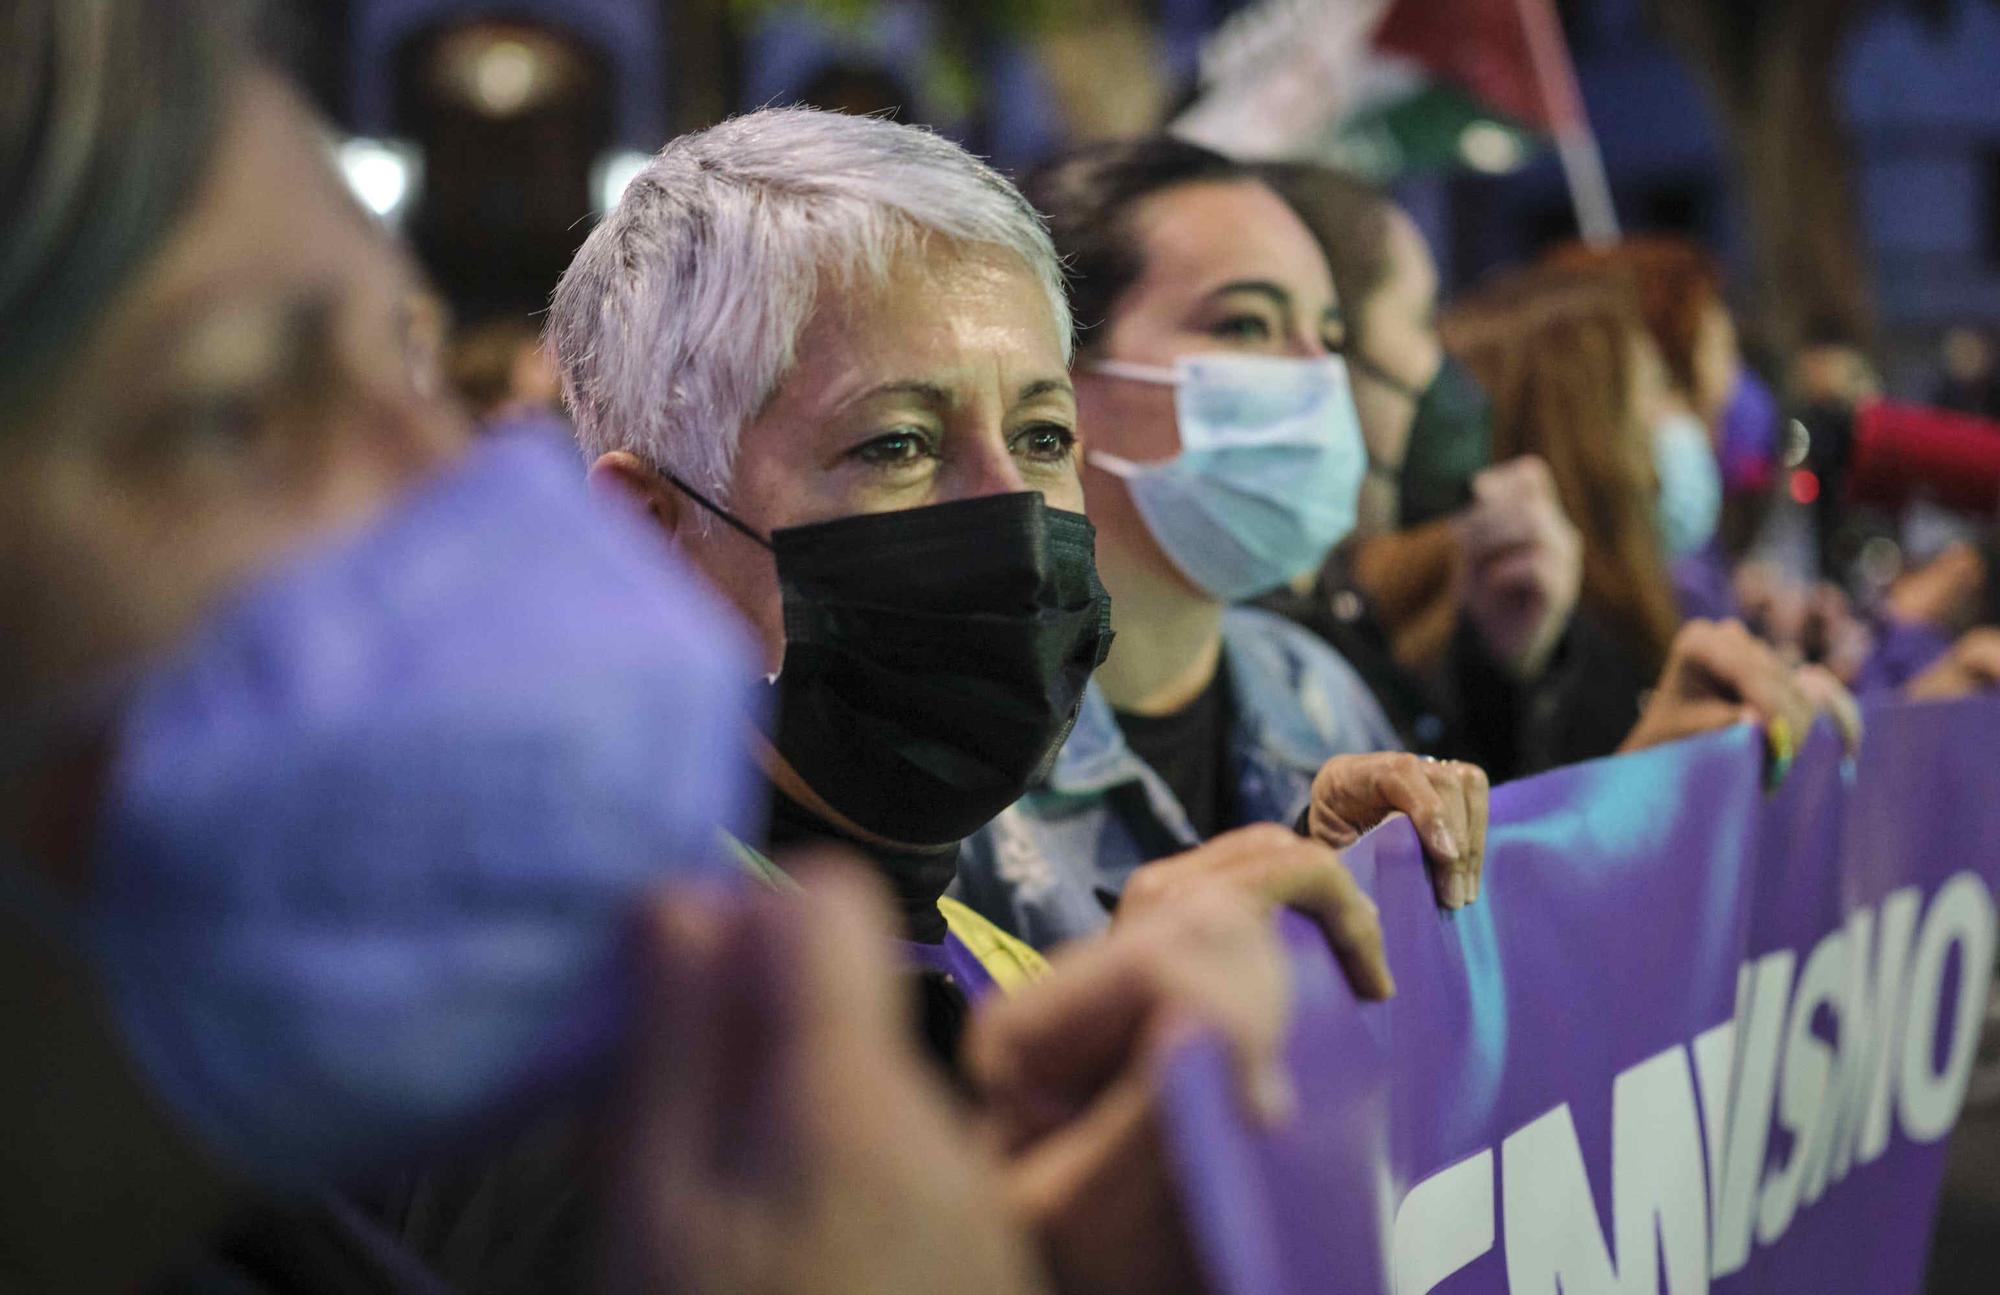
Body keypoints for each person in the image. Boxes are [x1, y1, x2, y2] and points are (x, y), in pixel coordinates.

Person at [1250, 162, 1598, 780]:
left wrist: (1509, 672)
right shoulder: (1240, 658)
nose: (1443, 363)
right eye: (1418, 320)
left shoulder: (1343, 619)